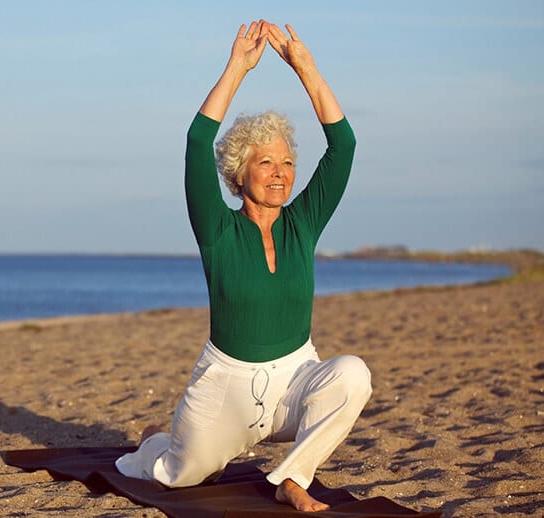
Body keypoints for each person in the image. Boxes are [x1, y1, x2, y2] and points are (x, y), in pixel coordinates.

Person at [115, 20, 372, 512]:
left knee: (353, 375)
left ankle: (293, 478)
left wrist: (307, 70)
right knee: (178, 475)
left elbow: (345, 148)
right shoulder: (218, 230)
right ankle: (152, 442)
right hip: (226, 386)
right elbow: (195, 142)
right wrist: (237, 67)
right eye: (265, 163)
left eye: (287, 163)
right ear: (238, 172)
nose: (280, 175)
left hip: (296, 379)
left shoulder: (303, 223)